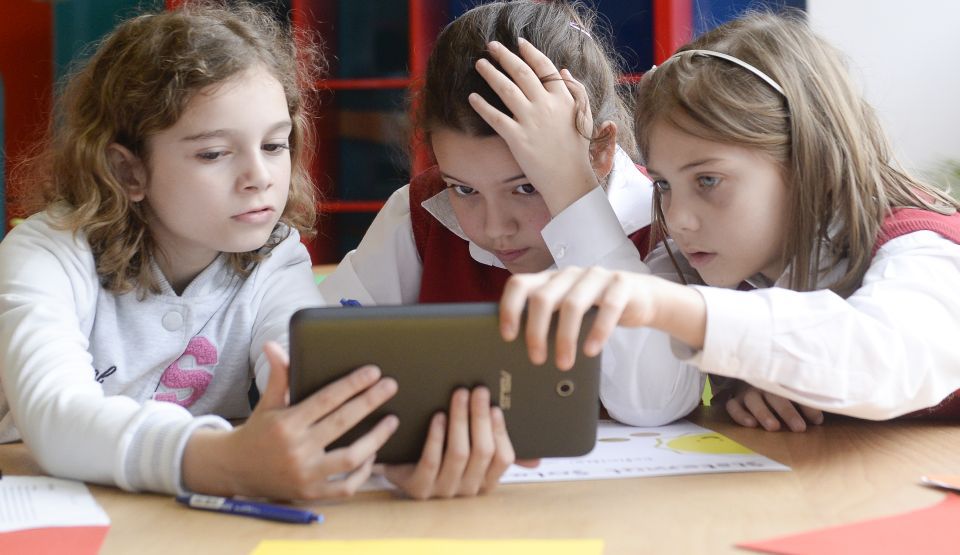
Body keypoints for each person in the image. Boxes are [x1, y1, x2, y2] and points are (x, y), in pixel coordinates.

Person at [0, 1, 510, 501]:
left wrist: (383, 446)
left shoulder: (276, 256)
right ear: (128, 170)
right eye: (214, 153)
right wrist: (224, 462)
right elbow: (56, 417)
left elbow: (307, 379)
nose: (259, 177)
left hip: (173, 516)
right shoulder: (45, 254)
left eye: (273, 145)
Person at [494, 10, 960, 431]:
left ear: (809, 161)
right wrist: (767, 377)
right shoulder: (701, 257)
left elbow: (886, 358)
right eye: (664, 184)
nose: (678, 220)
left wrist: (669, 307)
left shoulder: (922, 244)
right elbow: (649, 402)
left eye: (709, 181)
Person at [319, 0, 704, 427]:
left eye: (527, 187)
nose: (495, 227)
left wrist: (574, 196)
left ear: (598, 153)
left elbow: (654, 403)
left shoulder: (660, 218)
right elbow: (319, 354)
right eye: (465, 189)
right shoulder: (422, 211)